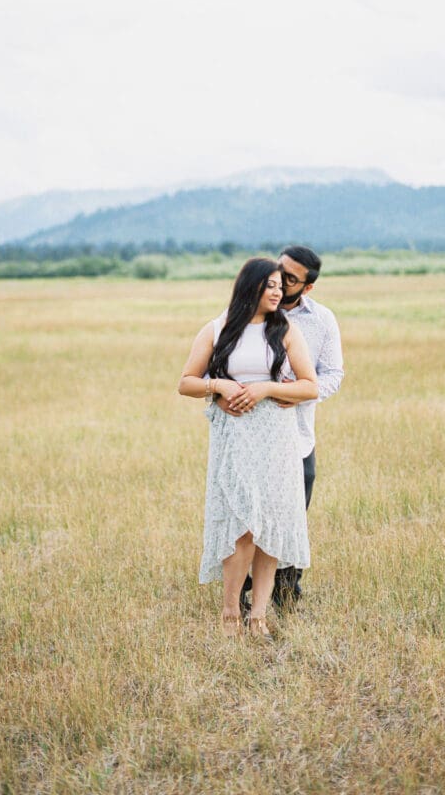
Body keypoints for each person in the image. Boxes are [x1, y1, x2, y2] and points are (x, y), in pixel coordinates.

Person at [178, 257, 318, 640]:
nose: (277, 292)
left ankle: (258, 617)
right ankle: (229, 614)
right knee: (241, 528)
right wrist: (218, 386)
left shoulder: (285, 329)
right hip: (235, 437)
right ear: (250, 287)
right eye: (270, 285)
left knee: (269, 527)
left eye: (280, 286)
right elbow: (186, 382)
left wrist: (267, 388)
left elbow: (310, 386)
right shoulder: (217, 328)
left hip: (275, 438)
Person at [217, 245, 344, 611]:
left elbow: (333, 374)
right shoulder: (241, 318)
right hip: (247, 436)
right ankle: (240, 597)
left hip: (297, 435)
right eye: (278, 272)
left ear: (307, 288)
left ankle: (286, 593)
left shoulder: (321, 320)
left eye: (290, 278)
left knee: (288, 516)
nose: (280, 281)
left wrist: (300, 395)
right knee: (245, 516)